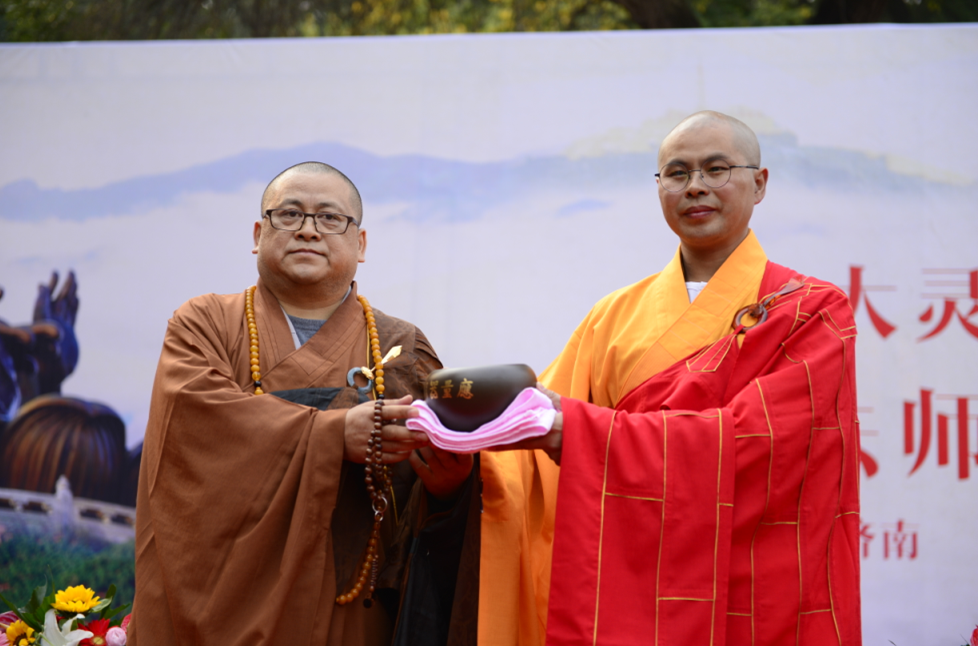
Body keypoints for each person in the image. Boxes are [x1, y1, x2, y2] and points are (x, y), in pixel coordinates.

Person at [480, 112, 861, 645]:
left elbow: (763, 444)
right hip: (630, 576)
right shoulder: (613, 316)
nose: (695, 186)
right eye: (677, 173)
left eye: (716, 169)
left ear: (760, 183)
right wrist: (457, 453)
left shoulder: (811, 311)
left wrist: (583, 433)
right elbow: (528, 453)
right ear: (659, 187)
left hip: (751, 584)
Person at [131, 162, 475, 646]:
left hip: (351, 611)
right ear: (258, 235)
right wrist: (334, 435)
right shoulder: (204, 324)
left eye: (330, 218)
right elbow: (194, 434)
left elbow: (423, 501)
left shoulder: (401, 347)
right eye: (289, 214)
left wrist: (448, 487)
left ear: (360, 244)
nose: (309, 230)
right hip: (224, 603)